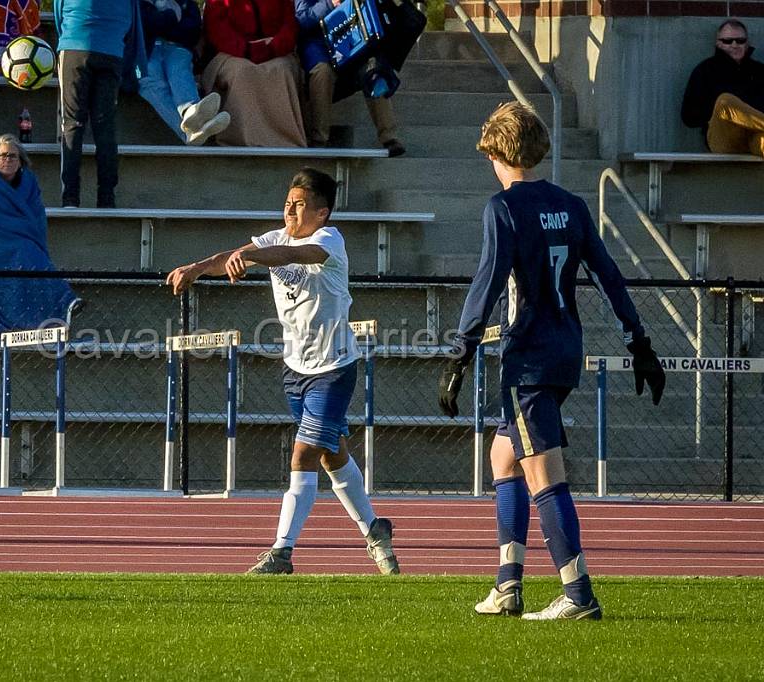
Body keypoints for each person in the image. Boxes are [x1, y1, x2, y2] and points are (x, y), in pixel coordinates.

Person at [437, 102, 666, 620]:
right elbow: (609, 276)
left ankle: (578, 593)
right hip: (565, 349)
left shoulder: (503, 207)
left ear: (497, 152)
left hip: (529, 360)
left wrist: (460, 352)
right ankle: (507, 585)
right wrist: (640, 343)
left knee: (543, 473)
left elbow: (488, 282)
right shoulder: (572, 204)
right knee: (503, 457)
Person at [166, 167, 398, 575]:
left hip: (334, 367)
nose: (289, 210)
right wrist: (198, 267)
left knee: (304, 451)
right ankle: (375, 529)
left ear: (322, 213)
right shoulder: (275, 237)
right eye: (287, 202)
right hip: (296, 369)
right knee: (331, 455)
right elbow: (231, 257)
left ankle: (282, 551)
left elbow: (292, 255)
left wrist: (250, 256)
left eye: (299, 204)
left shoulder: (329, 240)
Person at [0, 134, 78, 340]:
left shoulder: (28, 182)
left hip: (15, 240)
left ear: (21, 161)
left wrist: (20, 231)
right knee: (23, 251)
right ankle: (63, 300)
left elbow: (36, 218)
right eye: (3, 155)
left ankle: (54, 313)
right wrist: (18, 231)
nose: (8, 160)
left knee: (28, 251)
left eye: (13, 156)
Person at [56, 0, 145, 208]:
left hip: (75, 45)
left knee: (72, 123)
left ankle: (70, 197)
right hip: (112, 51)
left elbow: (59, 13)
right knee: (105, 127)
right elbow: (133, 25)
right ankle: (106, 197)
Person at [294, 0, 404, 155]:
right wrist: (330, 4)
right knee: (322, 72)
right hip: (319, 46)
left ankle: (389, 137)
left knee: (373, 71)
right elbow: (301, 20)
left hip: (354, 40)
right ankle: (319, 141)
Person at [202, 0, 307, 147]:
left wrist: (272, 48)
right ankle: (239, 140)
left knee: (281, 70)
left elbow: (289, 25)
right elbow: (216, 27)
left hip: (275, 50)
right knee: (242, 73)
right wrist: (245, 49)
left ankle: (285, 141)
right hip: (232, 52)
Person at [138, 0, 231, 145]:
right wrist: (172, 19)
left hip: (177, 48)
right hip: (142, 53)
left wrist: (161, 24)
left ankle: (191, 110)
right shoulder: (135, 3)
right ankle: (191, 129)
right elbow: (142, 24)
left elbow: (192, 30)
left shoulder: (186, 3)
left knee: (179, 70)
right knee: (149, 81)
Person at [681, 19, 764, 156]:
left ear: (747, 43)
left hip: (754, 135)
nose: (734, 45)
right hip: (724, 137)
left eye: (740, 40)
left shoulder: (760, 71)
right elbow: (689, 117)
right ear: (718, 43)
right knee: (725, 102)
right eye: (728, 41)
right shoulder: (706, 70)